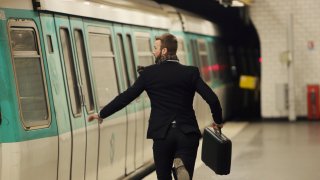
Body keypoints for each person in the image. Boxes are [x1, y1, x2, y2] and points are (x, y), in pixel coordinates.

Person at [87, 33, 223, 180]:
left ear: (164, 51)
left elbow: (126, 97)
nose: (153, 51)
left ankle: (176, 168)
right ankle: (180, 165)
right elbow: (212, 99)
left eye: (155, 48)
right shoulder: (190, 72)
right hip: (187, 133)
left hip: (162, 134)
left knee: (163, 176)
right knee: (185, 174)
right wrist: (218, 120)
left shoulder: (149, 74)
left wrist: (102, 114)